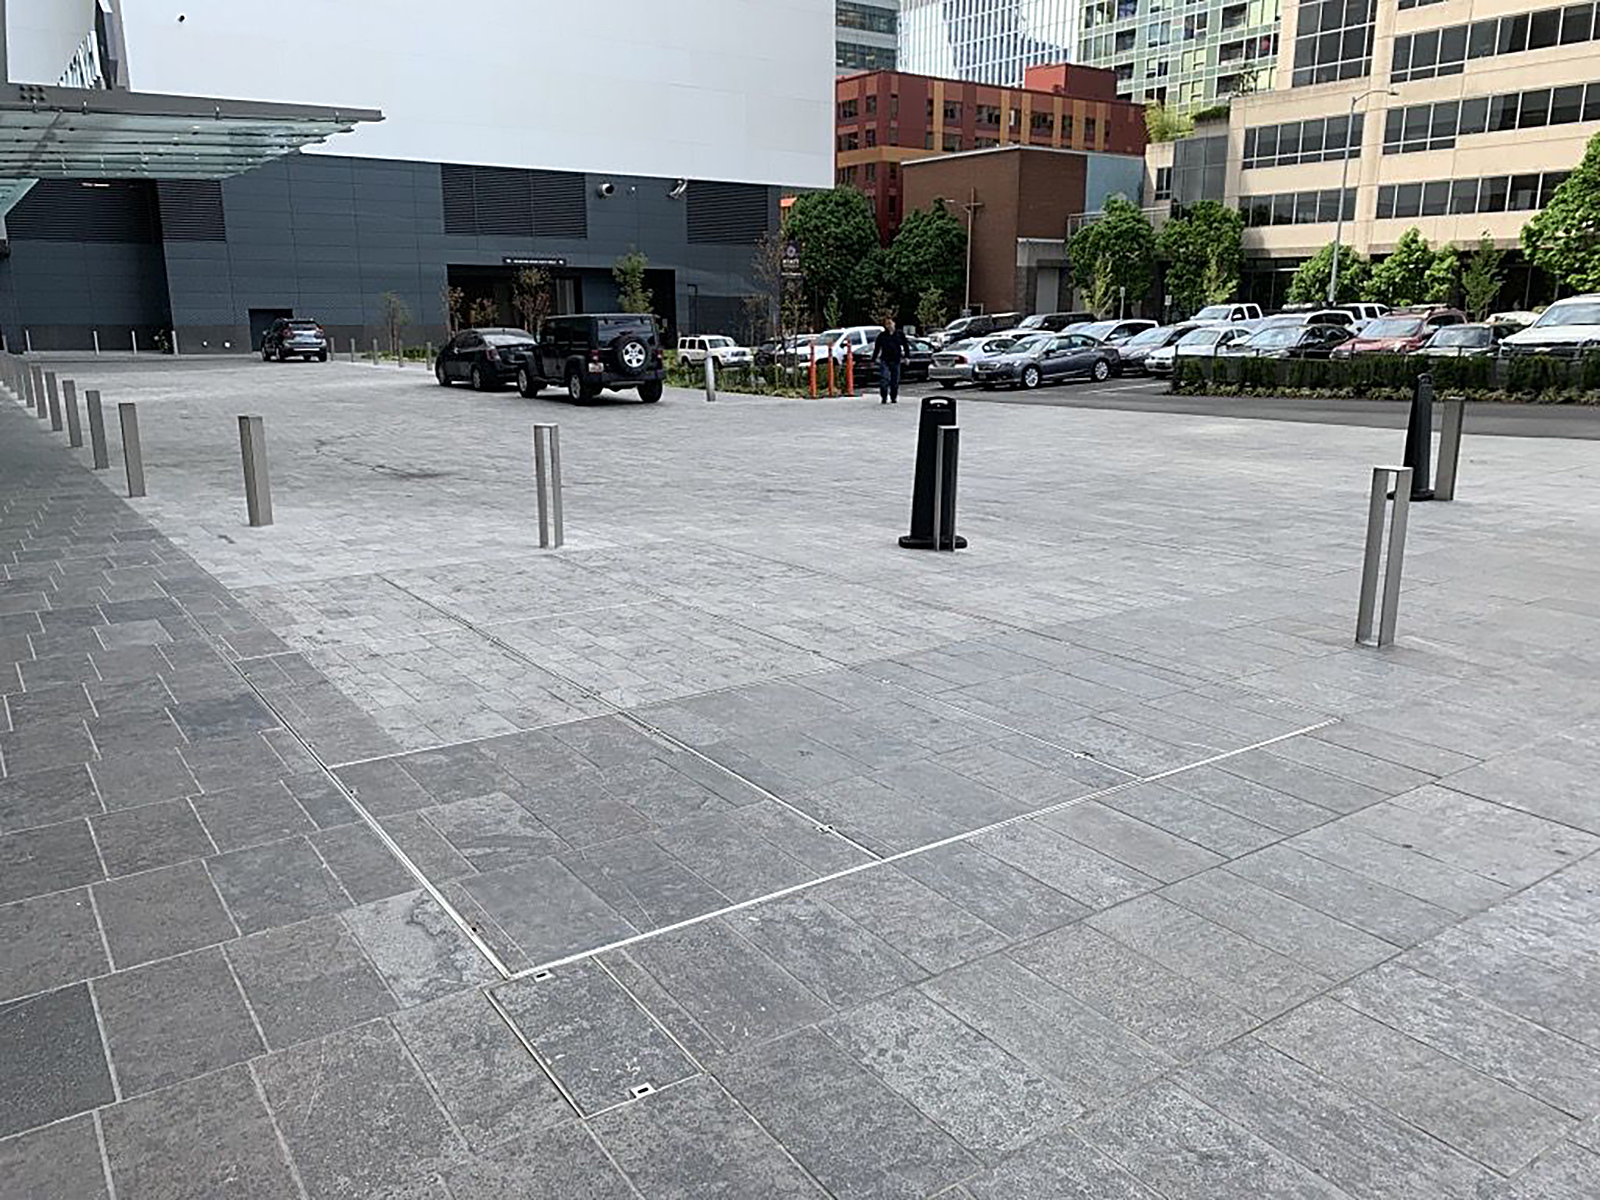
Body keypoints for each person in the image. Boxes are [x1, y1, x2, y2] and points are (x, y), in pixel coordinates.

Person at [872, 317, 909, 404]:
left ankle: (893, 397)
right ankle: (884, 396)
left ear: (894, 324)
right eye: (887, 324)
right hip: (885, 359)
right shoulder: (882, 336)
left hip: (896, 359)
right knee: (884, 379)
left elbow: (905, 345)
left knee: (895, 380)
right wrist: (874, 358)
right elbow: (877, 347)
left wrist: (906, 357)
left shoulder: (899, 334)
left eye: (890, 323)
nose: (889, 326)